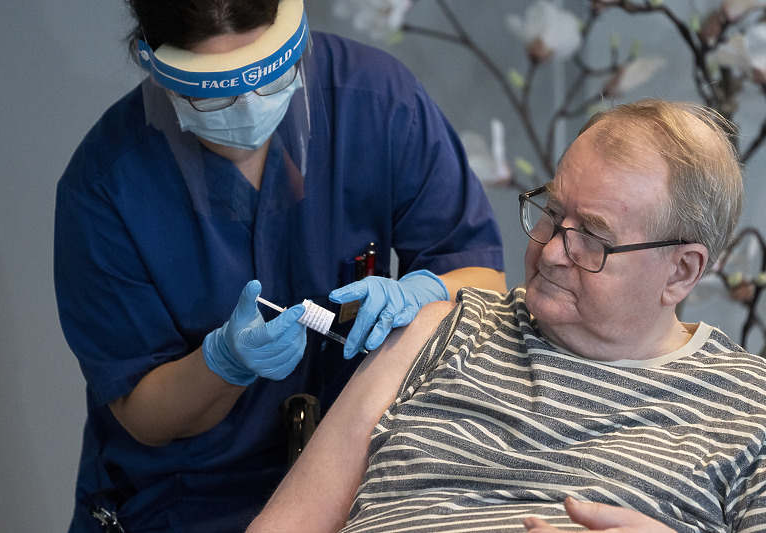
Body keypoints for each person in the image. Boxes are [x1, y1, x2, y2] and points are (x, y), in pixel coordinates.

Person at [54, 0, 507, 531]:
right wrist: (222, 362)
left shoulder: (375, 100)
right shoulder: (107, 187)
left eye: (269, 79)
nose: (247, 105)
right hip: (191, 500)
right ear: (156, 64)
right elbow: (143, 415)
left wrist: (424, 293)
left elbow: (482, 280)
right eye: (215, 93)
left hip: (364, 475)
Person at [247, 99, 766, 533]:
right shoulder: (439, 331)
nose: (552, 251)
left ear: (681, 271)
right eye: (553, 212)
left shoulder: (751, 413)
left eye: (591, 235)